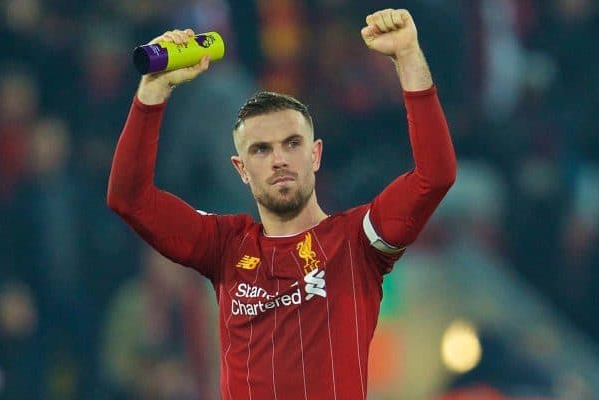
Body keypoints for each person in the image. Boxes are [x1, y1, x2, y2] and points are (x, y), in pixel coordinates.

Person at [107, 8, 456, 400]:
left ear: (316, 156)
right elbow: (129, 199)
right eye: (261, 149)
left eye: (292, 143)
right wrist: (151, 94)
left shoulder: (358, 242)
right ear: (241, 169)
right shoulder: (224, 246)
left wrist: (408, 57)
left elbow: (435, 176)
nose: (278, 160)